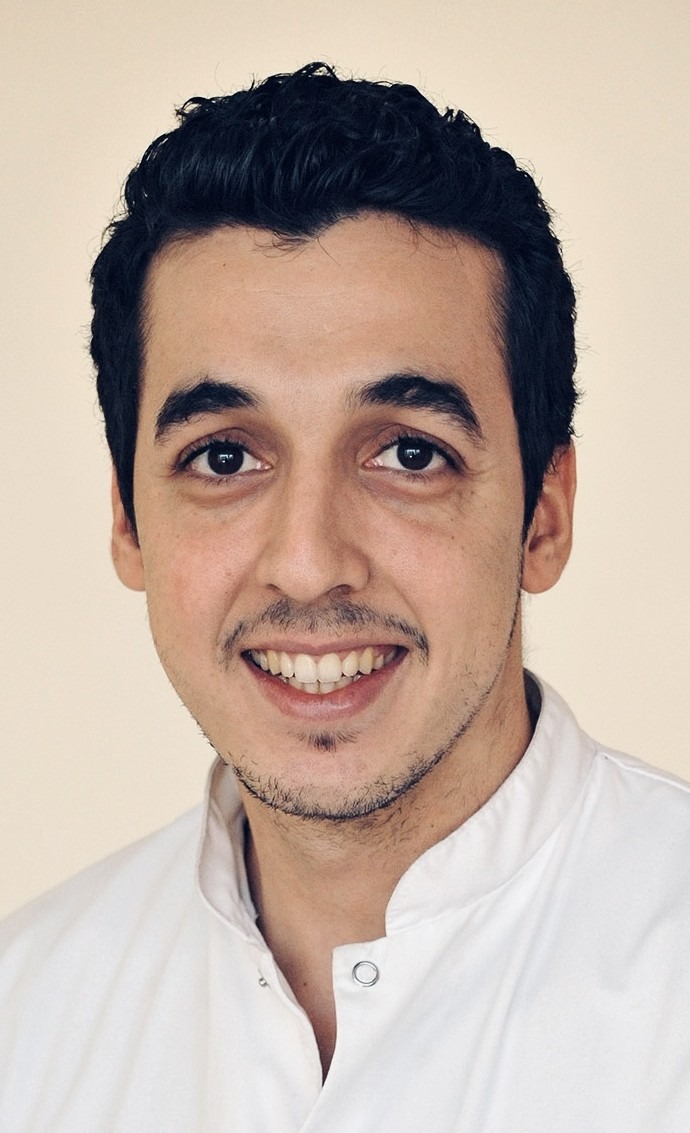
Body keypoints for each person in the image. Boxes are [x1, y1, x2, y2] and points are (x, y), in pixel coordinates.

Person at [1, 62, 689, 1132]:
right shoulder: (25, 1015)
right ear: (129, 521)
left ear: (543, 517)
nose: (309, 562)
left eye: (410, 453)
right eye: (224, 457)